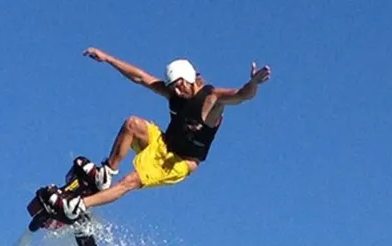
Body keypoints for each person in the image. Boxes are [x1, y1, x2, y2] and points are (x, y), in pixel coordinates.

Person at [40, 47, 271, 223]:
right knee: (132, 123)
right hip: (163, 143)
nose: (177, 91)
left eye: (180, 85)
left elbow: (242, 95)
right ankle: (105, 175)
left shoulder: (211, 99)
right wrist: (108, 58)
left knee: (131, 180)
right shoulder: (175, 93)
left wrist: (254, 83)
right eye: (173, 87)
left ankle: (77, 206)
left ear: (191, 78)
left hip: (180, 162)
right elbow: (141, 77)